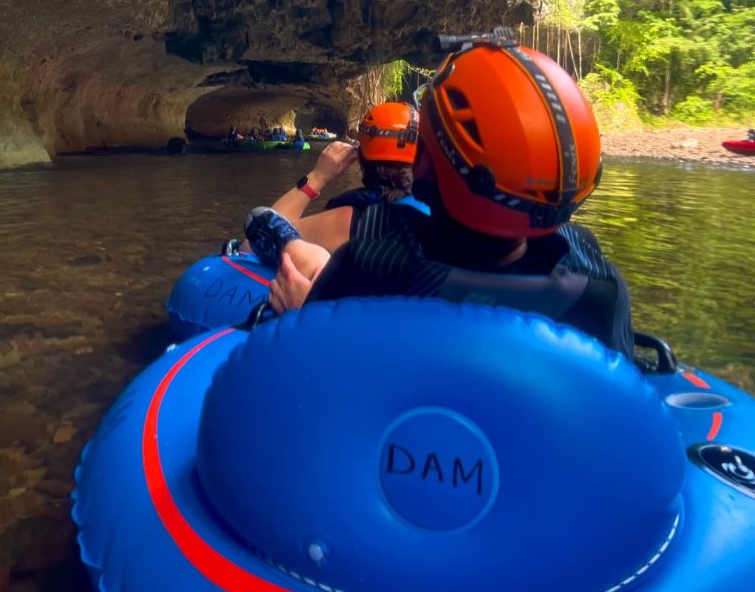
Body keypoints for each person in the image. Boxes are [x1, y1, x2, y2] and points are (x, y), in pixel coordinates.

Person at [262, 29, 633, 358]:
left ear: (422, 166)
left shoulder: (372, 265)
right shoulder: (600, 287)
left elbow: (321, 378)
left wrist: (304, 316)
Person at [242, 103, 422, 277]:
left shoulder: (351, 220)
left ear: (360, 156)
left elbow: (254, 243)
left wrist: (318, 176)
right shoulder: (438, 207)